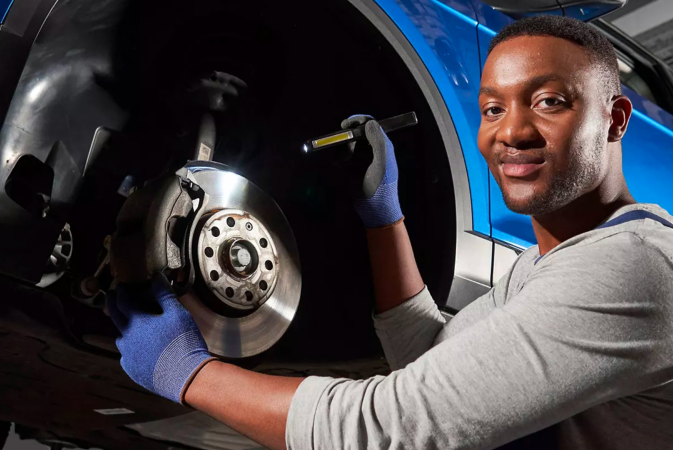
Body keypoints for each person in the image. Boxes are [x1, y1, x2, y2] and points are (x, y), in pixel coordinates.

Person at [106, 15, 673, 450]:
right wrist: (385, 216)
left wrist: (188, 373)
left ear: (617, 119)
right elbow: (430, 360)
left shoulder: (634, 264)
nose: (513, 131)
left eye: (550, 102)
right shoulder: (544, 266)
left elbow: (395, 429)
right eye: (493, 108)